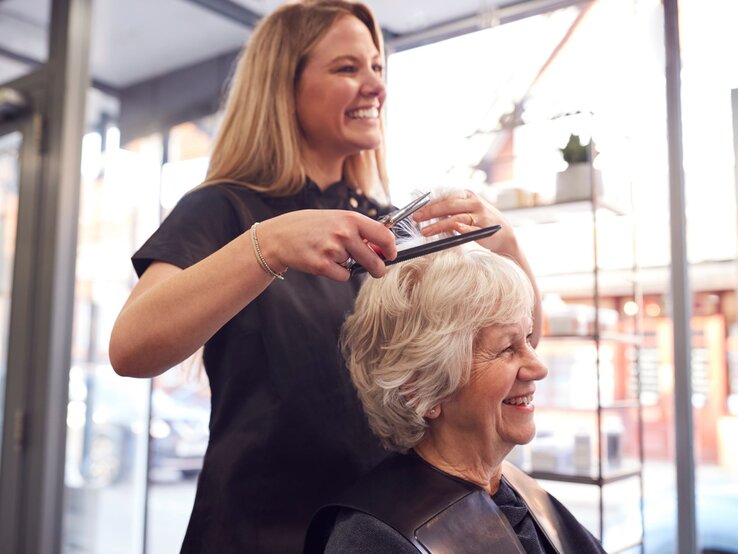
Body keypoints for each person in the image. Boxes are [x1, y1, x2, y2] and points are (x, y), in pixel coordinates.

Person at [109, 1, 541, 552]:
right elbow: (131, 349)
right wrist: (268, 246)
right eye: (347, 68)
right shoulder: (224, 210)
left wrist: (504, 241)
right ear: (283, 86)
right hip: (260, 535)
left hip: (382, 530)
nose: (374, 86)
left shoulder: (384, 222)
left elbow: (518, 350)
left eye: (378, 68)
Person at [304, 245, 605, 553]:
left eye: (527, 339)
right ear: (421, 387)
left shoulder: (518, 492)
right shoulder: (373, 539)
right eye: (506, 349)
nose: (539, 368)